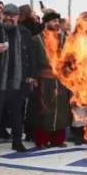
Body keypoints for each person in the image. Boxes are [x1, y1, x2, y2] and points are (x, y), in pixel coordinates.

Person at [0, 4, 36, 154]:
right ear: (2, 15)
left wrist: (32, 74)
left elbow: (31, 55)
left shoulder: (25, 32)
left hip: (18, 81)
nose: (8, 18)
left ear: (17, 17)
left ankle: (17, 142)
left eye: (12, 15)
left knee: (17, 114)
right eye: (6, 14)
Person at [28, 11, 72, 148]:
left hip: (60, 80)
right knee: (43, 109)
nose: (56, 23)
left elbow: (68, 59)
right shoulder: (36, 39)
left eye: (58, 21)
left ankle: (57, 140)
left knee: (61, 109)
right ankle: (41, 140)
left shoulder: (63, 38)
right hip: (43, 79)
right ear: (45, 22)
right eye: (53, 21)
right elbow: (32, 60)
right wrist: (33, 77)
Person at [62, 12, 87, 145]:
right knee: (79, 105)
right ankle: (78, 133)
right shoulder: (73, 38)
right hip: (78, 75)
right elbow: (65, 56)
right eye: (84, 20)